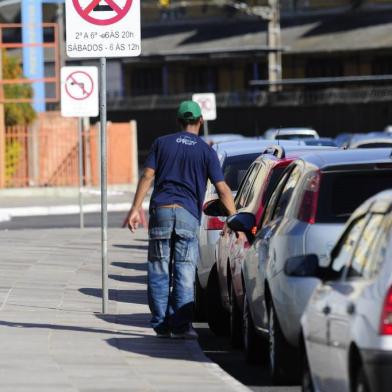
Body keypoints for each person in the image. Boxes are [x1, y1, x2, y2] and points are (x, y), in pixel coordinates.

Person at [128, 100, 236, 339]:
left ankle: (160, 324)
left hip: (162, 211)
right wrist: (235, 218)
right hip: (188, 214)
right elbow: (223, 190)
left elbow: (147, 175)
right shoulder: (206, 151)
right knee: (185, 271)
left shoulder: (161, 143)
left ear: (178, 121)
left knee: (159, 269)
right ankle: (181, 326)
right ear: (201, 121)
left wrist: (135, 208)